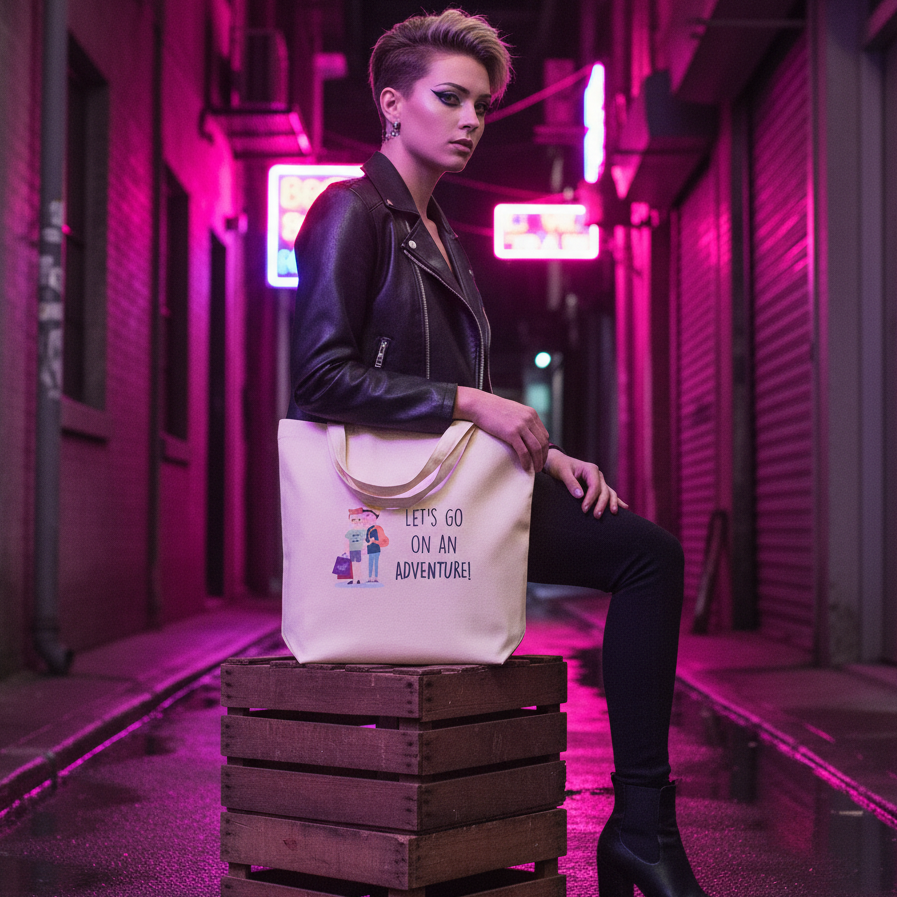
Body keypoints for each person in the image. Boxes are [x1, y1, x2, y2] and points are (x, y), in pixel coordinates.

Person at [286, 9, 708, 897]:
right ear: (393, 105)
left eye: (480, 103)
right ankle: (639, 835)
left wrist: (546, 454)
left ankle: (641, 824)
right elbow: (319, 378)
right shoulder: (349, 212)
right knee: (648, 558)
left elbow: (463, 404)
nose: (472, 119)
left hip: (448, 494)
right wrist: (470, 398)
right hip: (389, 507)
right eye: (450, 98)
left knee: (643, 551)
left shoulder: (441, 234)